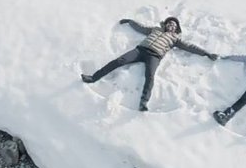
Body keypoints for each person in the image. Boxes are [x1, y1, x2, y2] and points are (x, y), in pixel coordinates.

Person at [82, 16, 218, 111]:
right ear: (166, 24)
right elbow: (141, 28)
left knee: (150, 76)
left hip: (154, 56)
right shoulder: (155, 29)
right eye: (170, 23)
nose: (171, 26)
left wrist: (206, 53)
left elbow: (190, 47)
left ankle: (144, 102)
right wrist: (130, 21)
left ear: (176, 29)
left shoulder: (175, 38)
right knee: (119, 61)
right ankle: (93, 77)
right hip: (139, 51)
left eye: (174, 25)